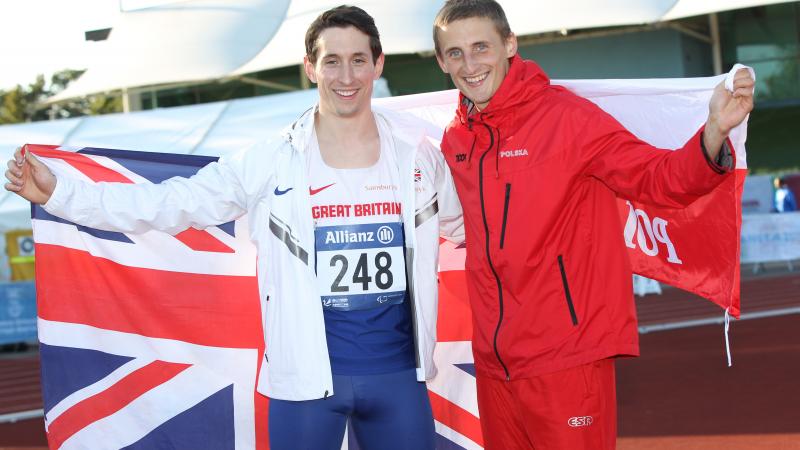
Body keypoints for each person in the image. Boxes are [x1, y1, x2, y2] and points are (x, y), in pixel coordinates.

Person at [5, 6, 463, 450]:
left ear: (377, 63)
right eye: (332, 61)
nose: (346, 77)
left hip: (400, 379)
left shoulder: (418, 157)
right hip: (303, 385)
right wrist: (61, 194)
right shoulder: (269, 160)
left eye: (359, 60)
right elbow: (169, 203)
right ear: (310, 68)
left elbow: (471, 228)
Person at [430, 1, 755, 449]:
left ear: (509, 44)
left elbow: (655, 178)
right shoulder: (456, 138)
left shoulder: (567, 118)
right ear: (441, 61)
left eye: (481, 47)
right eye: (455, 53)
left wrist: (713, 133)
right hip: (492, 364)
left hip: (567, 356)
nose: (470, 65)